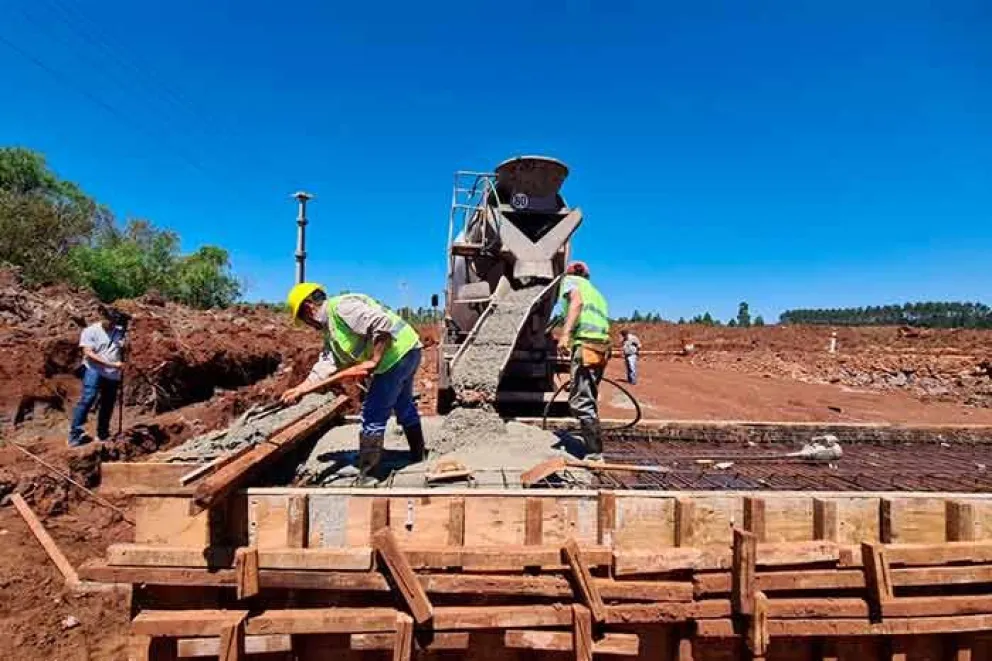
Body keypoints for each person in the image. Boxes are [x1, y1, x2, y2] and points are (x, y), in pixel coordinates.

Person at [280, 283, 426, 478]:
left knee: (373, 413)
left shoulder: (342, 308)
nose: (309, 325)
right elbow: (326, 365)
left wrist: (374, 360)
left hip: (396, 357)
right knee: (403, 404)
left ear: (308, 308)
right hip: (408, 351)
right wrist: (300, 389)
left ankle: (369, 475)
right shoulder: (332, 331)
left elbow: (381, 322)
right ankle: (418, 455)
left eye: (303, 320)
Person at [558, 261, 610, 461]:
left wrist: (565, 335)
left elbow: (576, 303)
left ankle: (595, 453)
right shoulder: (596, 293)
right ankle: (593, 447)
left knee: (580, 402)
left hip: (585, 346)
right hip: (601, 348)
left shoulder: (571, 282)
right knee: (588, 398)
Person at [69, 307, 126, 447]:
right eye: (110, 320)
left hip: (112, 374)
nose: (112, 324)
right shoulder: (91, 331)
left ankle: (103, 433)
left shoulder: (121, 332)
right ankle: (75, 434)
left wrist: (125, 345)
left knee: (108, 403)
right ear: (103, 318)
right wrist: (111, 364)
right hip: (94, 369)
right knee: (89, 397)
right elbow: (88, 353)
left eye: (114, 321)